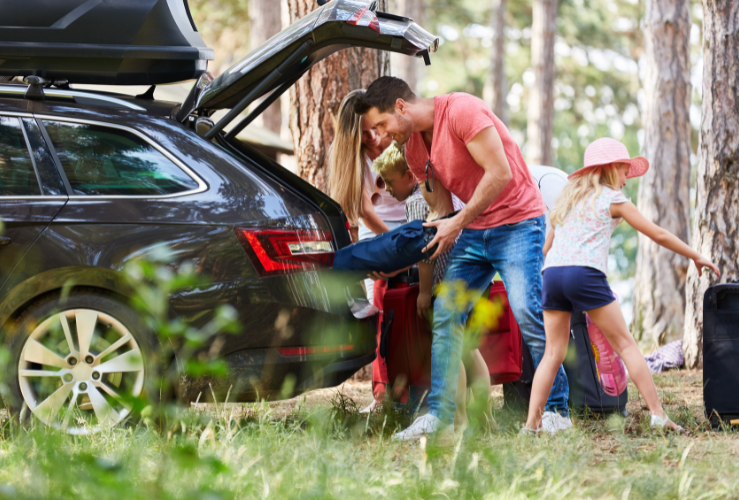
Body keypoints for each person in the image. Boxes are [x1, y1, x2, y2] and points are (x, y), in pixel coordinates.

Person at [354, 77, 571, 440]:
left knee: (529, 315)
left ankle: (557, 410)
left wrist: (457, 223)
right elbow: (439, 210)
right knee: (446, 314)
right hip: (474, 231)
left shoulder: (461, 111)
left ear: (401, 107)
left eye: (381, 124)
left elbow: (499, 173)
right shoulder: (412, 151)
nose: (379, 136)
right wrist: (401, 254)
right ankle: (440, 414)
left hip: (517, 224)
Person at [522, 138, 720, 434]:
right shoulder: (612, 199)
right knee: (627, 345)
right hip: (583, 274)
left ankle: (531, 426)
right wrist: (696, 255)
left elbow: (548, 246)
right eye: (626, 171)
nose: (627, 180)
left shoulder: (567, 200)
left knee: (553, 354)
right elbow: (658, 234)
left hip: (551, 276)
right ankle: (657, 415)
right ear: (611, 168)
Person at [372, 141, 493, 430]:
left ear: (410, 175)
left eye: (390, 181)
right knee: (470, 349)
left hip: (445, 283)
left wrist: (424, 292)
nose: (387, 189)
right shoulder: (453, 191)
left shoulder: (418, 202)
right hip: (476, 277)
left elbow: (424, 251)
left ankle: (460, 418)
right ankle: (485, 415)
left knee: (451, 348)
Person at [327, 90, 407, 304]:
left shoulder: (398, 138)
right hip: (377, 230)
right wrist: (395, 246)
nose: (372, 137)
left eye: (374, 127)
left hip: (413, 220)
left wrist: (408, 243)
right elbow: (365, 212)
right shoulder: (351, 157)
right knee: (379, 301)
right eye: (363, 133)